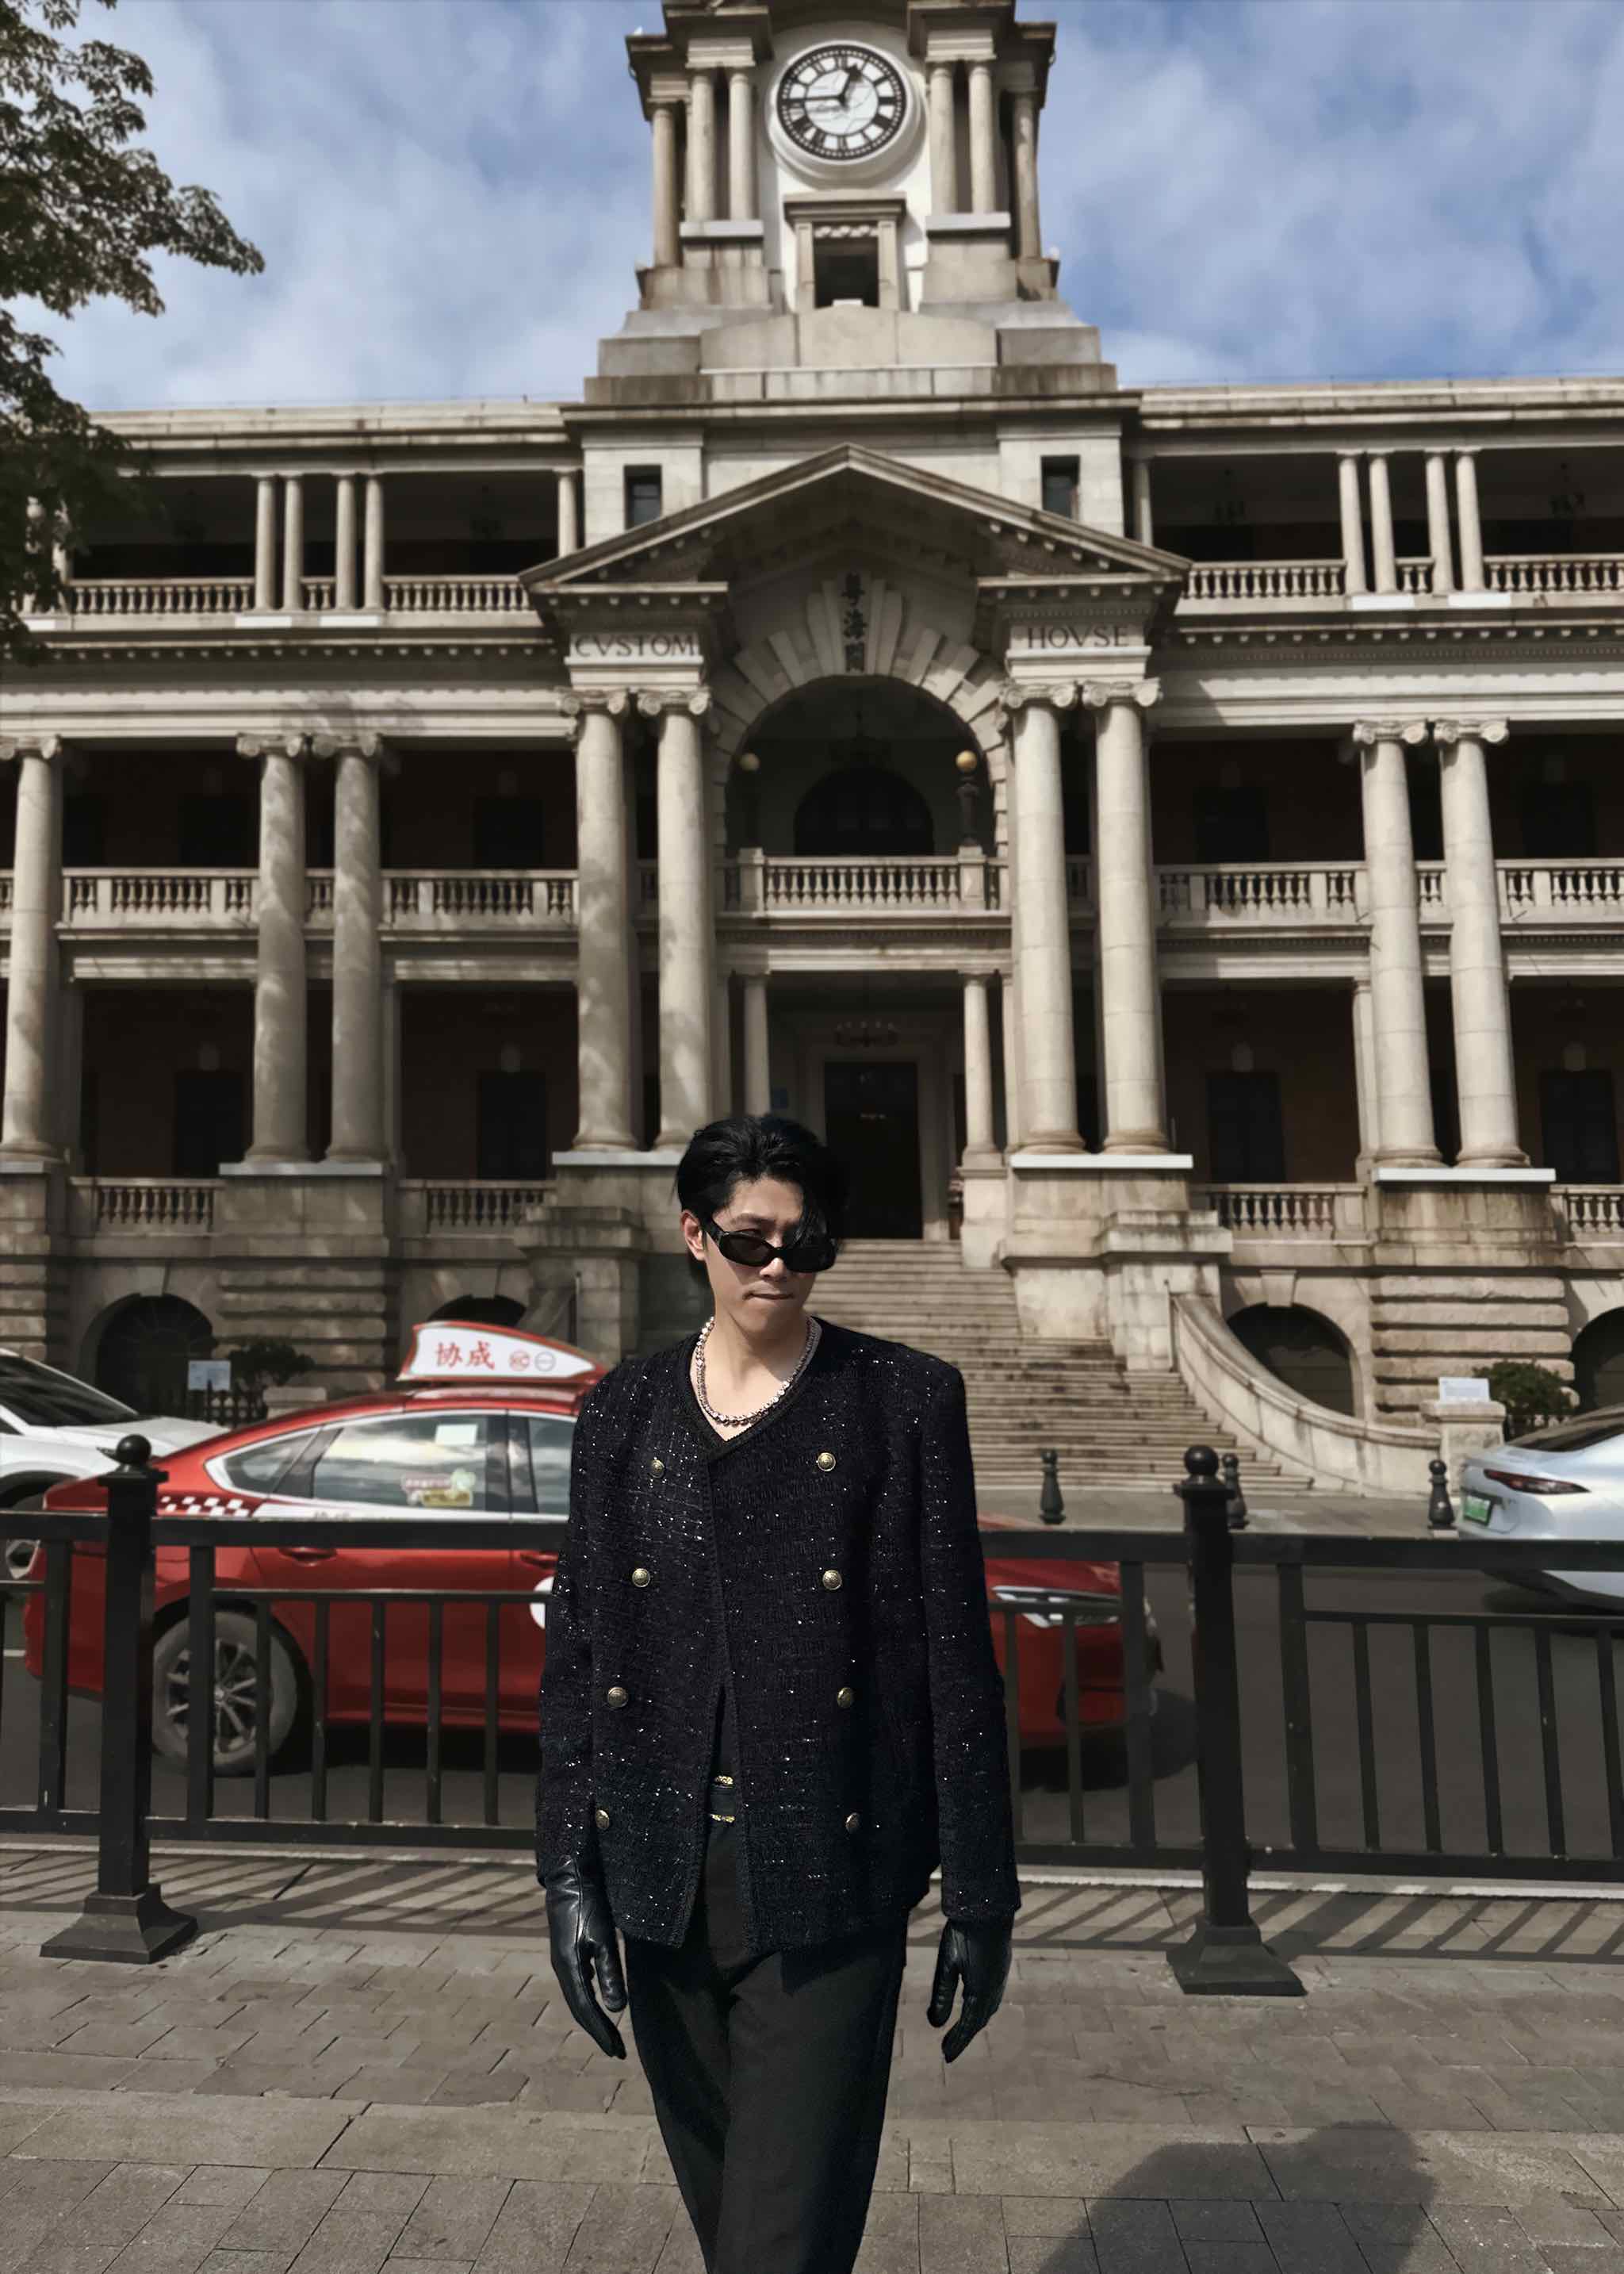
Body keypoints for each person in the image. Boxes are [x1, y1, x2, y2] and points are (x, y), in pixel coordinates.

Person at [536, 1112, 1019, 2274]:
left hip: (831, 1876)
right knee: (734, 2228)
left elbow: (956, 1659)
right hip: (662, 1876)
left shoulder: (902, 1399)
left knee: (776, 2243)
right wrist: (566, 1874)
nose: (779, 1267)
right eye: (751, 1240)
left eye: (806, 1244)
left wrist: (982, 1895)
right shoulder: (624, 1409)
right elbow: (584, 1655)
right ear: (693, 1235)